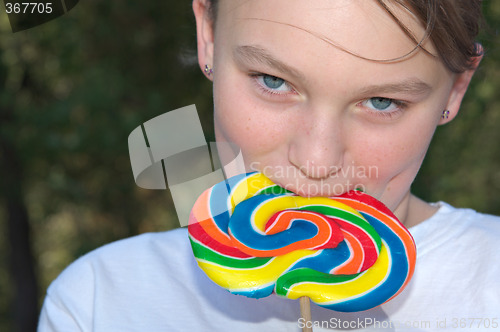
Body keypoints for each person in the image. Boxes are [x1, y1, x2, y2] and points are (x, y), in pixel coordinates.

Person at [38, 0, 500, 331]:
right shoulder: (100, 303)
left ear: (456, 89)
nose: (317, 162)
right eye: (273, 81)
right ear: (209, 38)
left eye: (382, 101)